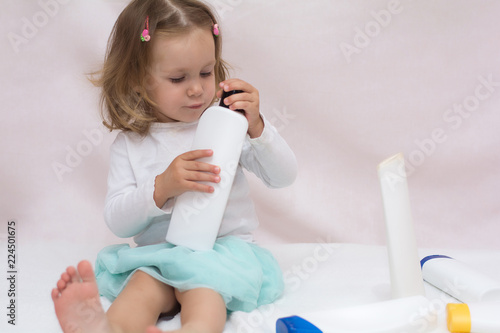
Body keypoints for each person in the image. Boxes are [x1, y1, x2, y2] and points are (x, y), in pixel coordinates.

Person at [51, 0, 297, 332]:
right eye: (178, 78)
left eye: (206, 72)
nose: (197, 88)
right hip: (162, 256)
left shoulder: (228, 126)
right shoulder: (132, 144)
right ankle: (107, 328)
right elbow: (118, 219)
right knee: (142, 290)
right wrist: (161, 188)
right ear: (139, 80)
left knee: (204, 294)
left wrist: (258, 128)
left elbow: (283, 176)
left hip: (221, 253)